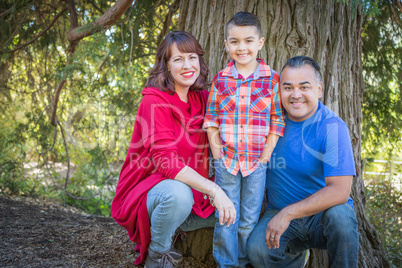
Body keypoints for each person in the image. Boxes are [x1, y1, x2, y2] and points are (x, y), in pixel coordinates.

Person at [111, 31, 236, 268]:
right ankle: (157, 255)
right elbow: (167, 164)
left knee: (242, 203)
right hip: (152, 194)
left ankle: (176, 223)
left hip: (193, 196)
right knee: (178, 195)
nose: (187, 65)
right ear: (166, 66)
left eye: (192, 57)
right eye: (178, 59)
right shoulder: (154, 101)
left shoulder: (203, 99)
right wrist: (215, 190)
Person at [247, 56, 359, 268]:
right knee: (257, 250)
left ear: (319, 89)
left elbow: (340, 192)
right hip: (279, 213)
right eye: (288, 87)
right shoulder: (269, 122)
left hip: (322, 217)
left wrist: (288, 214)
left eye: (304, 87)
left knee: (342, 216)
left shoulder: (332, 127)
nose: (295, 95)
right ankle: (294, 259)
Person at [203, 12, 285, 268]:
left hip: (257, 163)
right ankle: (225, 264)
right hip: (226, 161)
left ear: (260, 43)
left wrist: (265, 156)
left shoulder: (272, 79)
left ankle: (244, 261)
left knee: (249, 218)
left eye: (248, 41)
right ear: (226, 44)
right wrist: (217, 156)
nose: (242, 47)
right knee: (226, 216)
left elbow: (276, 121)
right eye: (235, 42)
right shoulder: (221, 79)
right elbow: (211, 119)